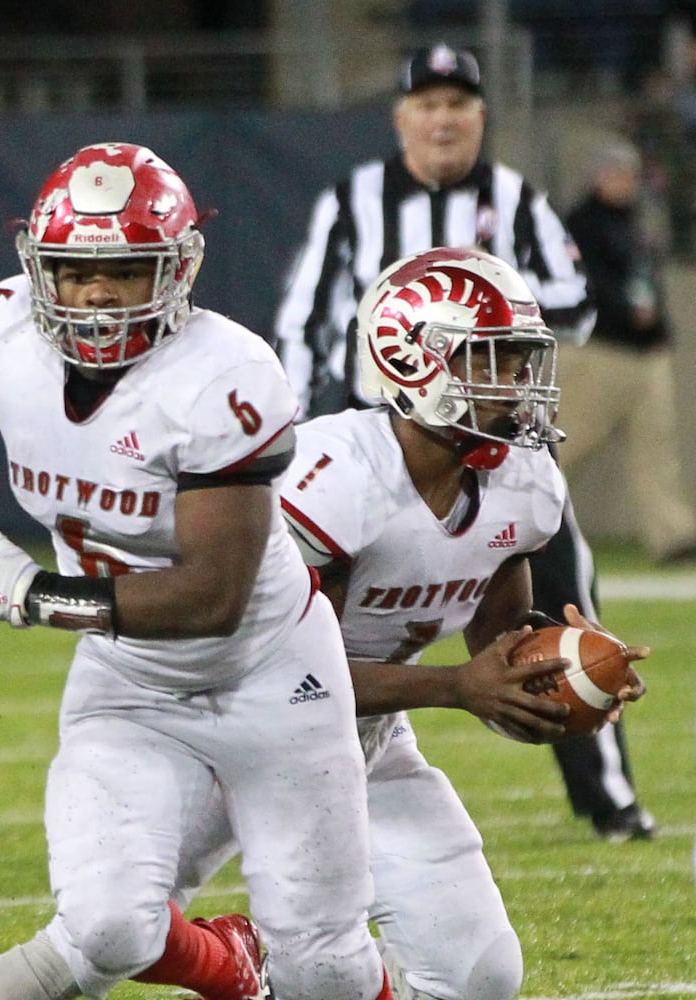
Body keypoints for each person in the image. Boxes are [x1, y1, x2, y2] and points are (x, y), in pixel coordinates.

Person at [0, 142, 391, 1000]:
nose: (95, 294)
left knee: (325, 968)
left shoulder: (224, 376)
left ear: (173, 270)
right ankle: (231, 970)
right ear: (37, 268)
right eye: (74, 271)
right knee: (105, 925)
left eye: (126, 270)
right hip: (127, 682)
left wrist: (34, 596)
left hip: (274, 680)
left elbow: (211, 597)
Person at [272, 42, 655, 842]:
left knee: (563, 611)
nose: (444, 120)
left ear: (481, 119)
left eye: (459, 106)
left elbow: (571, 306)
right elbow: (304, 313)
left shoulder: (516, 200)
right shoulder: (352, 201)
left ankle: (607, 794)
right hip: (386, 435)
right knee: (310, 642)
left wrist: (495, 328)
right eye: (428, 105)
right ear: (402, 118)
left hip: (492, 436)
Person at [278, 246, 648, 1000]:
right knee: (116, 931)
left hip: (361, 741)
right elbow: (276, 674)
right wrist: (453, 686)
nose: (519, 387)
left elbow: (497, 636)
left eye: (519, 362)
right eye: (496, 362)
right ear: (414, 362)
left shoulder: (520, 479)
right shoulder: (335, 478)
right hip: (234, 737)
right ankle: (235, 964)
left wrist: (559, 672)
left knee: (479, 974)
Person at [560, 138, 696, 563]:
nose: (624, 182)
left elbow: (646, 280)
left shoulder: (636, 222)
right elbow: (584, 281)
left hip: (645, 354)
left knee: (658, 450)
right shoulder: (581, 223)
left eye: (629, 174)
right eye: (617, 172)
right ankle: (521, 525)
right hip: (603, 351)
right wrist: (623, 309)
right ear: (600, 175)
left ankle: (673, 536)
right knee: (561, 443)